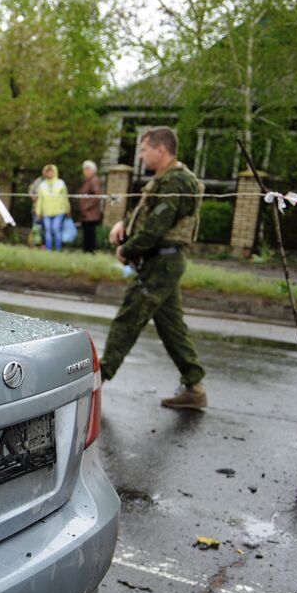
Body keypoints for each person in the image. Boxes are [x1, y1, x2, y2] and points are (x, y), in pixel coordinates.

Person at [103, 126, 207, 410]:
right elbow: (147, 215)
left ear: (161, 149)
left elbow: (156, 227)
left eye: (144, 149)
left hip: (162, 261)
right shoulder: (165, 180)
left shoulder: (176, 181)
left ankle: (97, 379)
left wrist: (128, 249)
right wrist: (124, 224)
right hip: (163, 260)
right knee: (171, 325)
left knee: (129, 316)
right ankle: (194, 385)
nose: (141, 155)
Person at [34, 164, 71, 252]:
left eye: (51, 171)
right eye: (48, 172)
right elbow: (40, 200)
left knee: (55, 228)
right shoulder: (42, 185)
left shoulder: (60, 183)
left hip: (59, 211)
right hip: (46, 212)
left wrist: (68, 209)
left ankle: (58, 249)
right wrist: (38, 212)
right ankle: (49, 250)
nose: (50, 173)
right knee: (48, 230)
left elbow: (65, 198)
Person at [77, 160, 103, 253]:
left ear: (91, 170)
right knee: (87, 232)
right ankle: (86, 250)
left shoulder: (94, 180)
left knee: (90, 233)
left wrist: (87, 206)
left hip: (90, 214)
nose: (84, 172)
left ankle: (89, 251)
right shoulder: (89, 180)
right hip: (87, 214)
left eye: (86, 169)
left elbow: (97, 195)